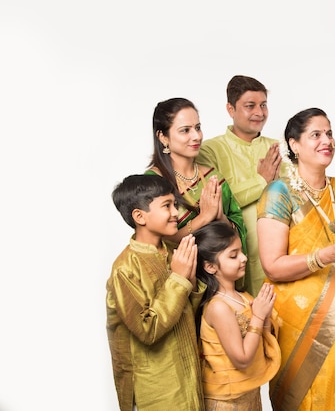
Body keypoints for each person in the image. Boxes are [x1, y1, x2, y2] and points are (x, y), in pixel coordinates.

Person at [257, 107, 335, 410]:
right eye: (315, 134)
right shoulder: (279, 192)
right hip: (300, 324)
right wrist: (325, 256)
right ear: (294, 144)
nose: (326, 140)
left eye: (329, 133)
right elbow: (272, 266)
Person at [106, 174, 206, 411]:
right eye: (167, 206)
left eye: (175, 204)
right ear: (139, 216)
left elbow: (184, 315)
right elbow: (147, 330)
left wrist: (190, 283)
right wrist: (180, 279)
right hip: (156, 387)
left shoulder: (173, 252)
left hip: (188, 374)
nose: (175, 213)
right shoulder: (125, 269)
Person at [196, 75, 284, 296]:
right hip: (232, 261)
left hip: (278, 255)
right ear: (230, 108)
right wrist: (261, 181)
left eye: (263, 105)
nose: (259, 112)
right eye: (250, 105)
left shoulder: (276, 148)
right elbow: (216, 201)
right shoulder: (210, 150)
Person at [145, 97, 247, 258]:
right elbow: (157, 241)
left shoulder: (213, 177)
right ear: (163, 137)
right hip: (177, 277)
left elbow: (237, 231)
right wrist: (204, 217)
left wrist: (220, 217)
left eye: (197, 128)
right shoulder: (152, 183)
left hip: (218, 276)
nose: (196, 136)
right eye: (185, 130)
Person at [194, 221, 281, 410]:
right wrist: (258, 316)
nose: (244, 258)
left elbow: (261, 342)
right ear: (210, 267)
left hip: (249, 394)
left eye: (241, 251)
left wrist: (265, 315)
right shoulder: (218, 307)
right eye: (233, 256)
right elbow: (242, 359)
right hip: (226, 402)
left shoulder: (244, 297)